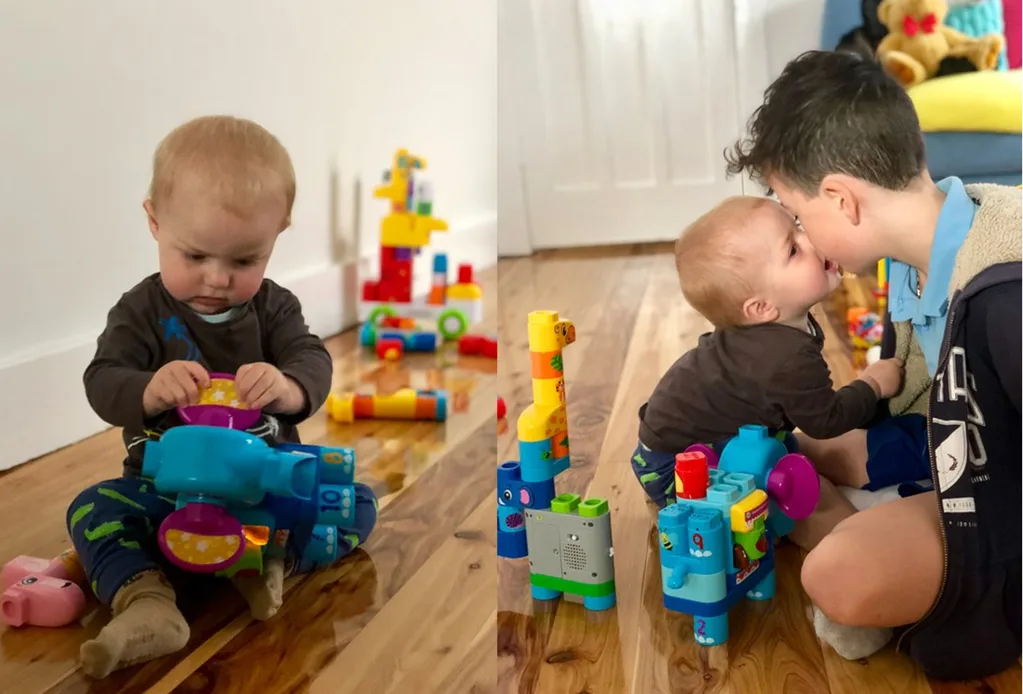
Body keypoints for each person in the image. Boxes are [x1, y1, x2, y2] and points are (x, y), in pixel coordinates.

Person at [725, 50, 1020, 680]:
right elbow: (917, 391)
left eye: (800, 217)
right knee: (803, 449)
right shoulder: (907, 260)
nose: (803, 235)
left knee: (836, 575)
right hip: (952, 446)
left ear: (842, 200)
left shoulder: (1004, 282)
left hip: (1003, 488)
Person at [66, 116, 378, 678]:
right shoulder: (139, 312)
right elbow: (102, 379)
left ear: (277, 235)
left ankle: (266, 558)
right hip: (163, 494)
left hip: (267, 492)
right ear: (155, 222)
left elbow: (313, 361)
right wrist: (146, 388)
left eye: (244, 261)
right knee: (92, 508)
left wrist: (285, 387)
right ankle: (147, 599)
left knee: (356, 502)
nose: (216, 279)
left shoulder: (275, 309)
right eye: (195, 256)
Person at [632, 195, 904, 507]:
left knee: (810, 453)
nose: (810, 239)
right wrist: (873, 384)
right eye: (793, 250)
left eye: (799, 227)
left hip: (677, 446)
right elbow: (826, 420)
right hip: (683, 470)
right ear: (762, 307)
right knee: (810, 500)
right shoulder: (785, 357)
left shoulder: (777, 330)